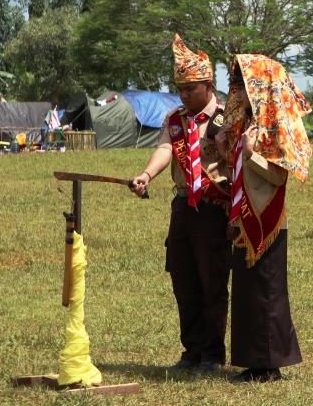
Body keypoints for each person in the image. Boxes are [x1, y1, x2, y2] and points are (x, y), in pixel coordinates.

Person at [131, 35, 232, 372]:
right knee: (184, 280)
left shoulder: (225, 117)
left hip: (215, 209)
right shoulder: (176, 120)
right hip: (182, 208)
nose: (184, 95)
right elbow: (164, 149)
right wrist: (147, 174)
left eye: (191, 89)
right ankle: (191, 351)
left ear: (208, 85)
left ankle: (212, 355)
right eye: (180, 89)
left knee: (212, 281)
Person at [217, 54, 312, 383]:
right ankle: (251, 360)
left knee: (266, 292)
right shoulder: (245, 124)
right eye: (236, 83)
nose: (237, 90)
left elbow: (278, 177)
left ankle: (269, 365)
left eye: (243, 83)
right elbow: (238, 171)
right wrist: (225, 149)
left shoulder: (275, 125)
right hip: (244, 217)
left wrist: (249, 154)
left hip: (267, 219)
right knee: (246, 293)